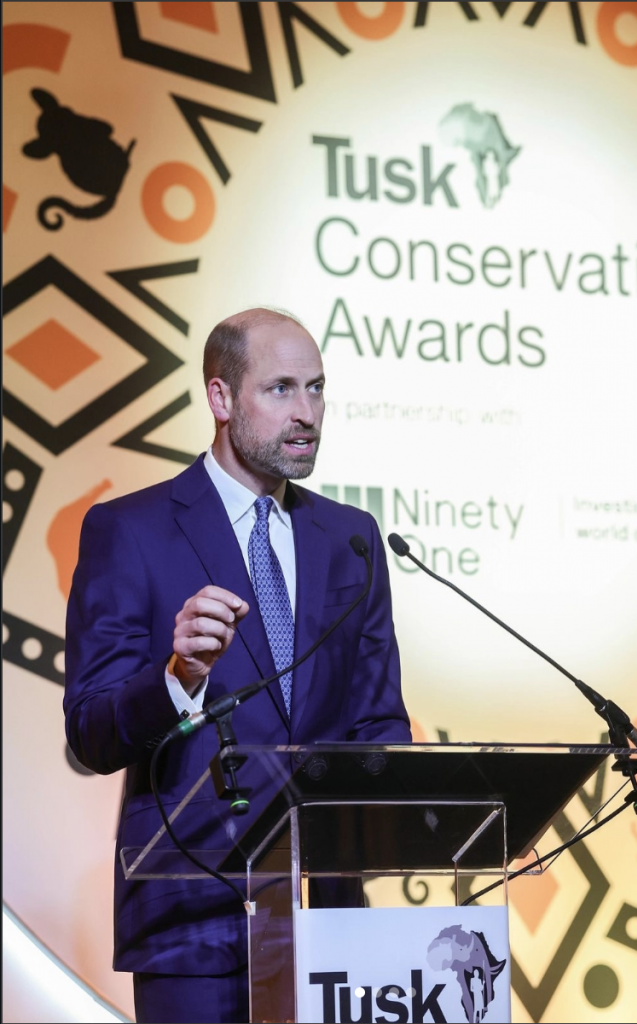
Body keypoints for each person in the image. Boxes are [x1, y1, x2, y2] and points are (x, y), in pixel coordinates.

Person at [64, 308, 412, 1024]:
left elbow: (377, 720)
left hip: (328, 923)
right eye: (281, 389)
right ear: (220, 399)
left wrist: (412, 794)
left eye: (317, 389)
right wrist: (177, 676)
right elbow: (91, 734)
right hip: (190, 921)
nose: (307, 413)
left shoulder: (351, 539)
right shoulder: (129, 530)